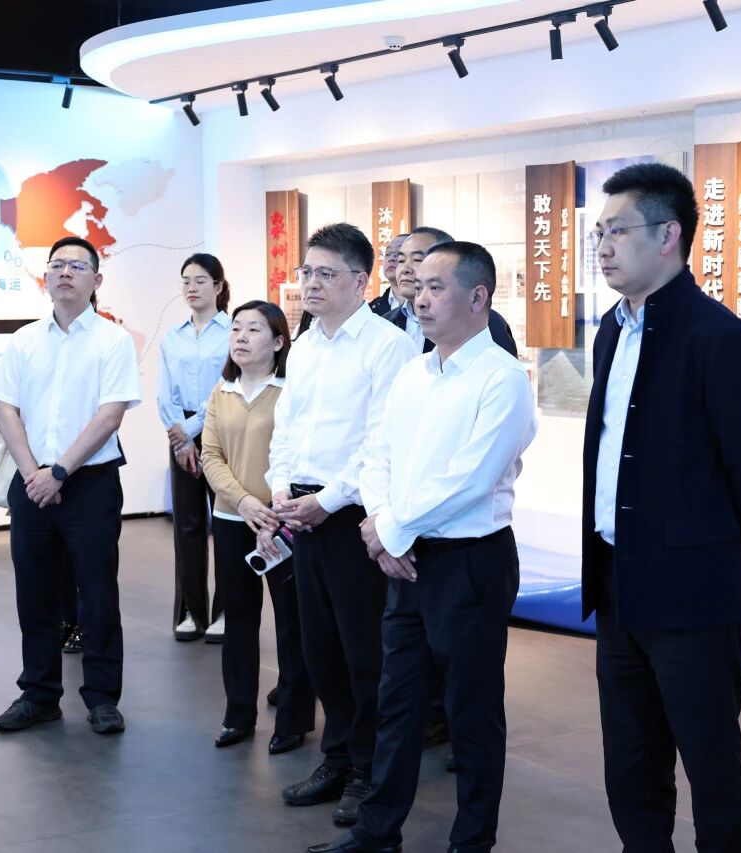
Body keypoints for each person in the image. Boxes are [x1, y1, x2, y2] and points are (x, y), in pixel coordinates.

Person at [308, 241, 536, 853]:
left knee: (472, 711)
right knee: (397, 703)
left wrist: (388, 530)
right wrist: (384, 523)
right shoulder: (414, 372)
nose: (419, 297)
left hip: (469, 561)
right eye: (418, 286)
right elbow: (377, 453)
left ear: (478, 297)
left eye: (436, 287)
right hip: (406, 559)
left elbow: (470, 480)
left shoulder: (503, 379)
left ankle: (472, 840)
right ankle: (377, 832)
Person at [581, 163, 741, 852]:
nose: (603, 246)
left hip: (696, 589)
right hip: (618, 581)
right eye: (598, 233)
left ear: (668, 235)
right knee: (630, 762)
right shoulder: (612, 331)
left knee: (710, 763)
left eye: (617, 231)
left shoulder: (719, 338)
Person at [260, 223, 417, 826]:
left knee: (364, 652)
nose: (312, 284)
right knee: (319, 647)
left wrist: (328, 500)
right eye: (307, 272)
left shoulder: (386, 346)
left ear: (361, 281)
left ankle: (369, 771)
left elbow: (380, 441)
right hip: (301, 511)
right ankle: (338, 755)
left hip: (354, 513)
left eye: (326, 274)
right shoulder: (304, 346)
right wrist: (280, 486)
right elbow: (288, 428)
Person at [0, 235, 141, 735]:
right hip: (31, 482)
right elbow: (5, 409)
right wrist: (34, 472)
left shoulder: (113, 340)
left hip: (89, 484)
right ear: (46, 278)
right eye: (57, 265)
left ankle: (101, 697)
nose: (65, 273)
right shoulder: (24, 340)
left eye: (77, 266)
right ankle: (38, 695)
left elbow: (110, 414)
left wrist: (59, 472)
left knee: (97, 594)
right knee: (34, 593)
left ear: (97, 280)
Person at [200, 300, 316, 755]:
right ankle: (237, 716)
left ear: (279, 341)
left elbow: (297, 454)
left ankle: (293, 720)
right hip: (233, 519)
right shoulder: (221, 391)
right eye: (236, 329)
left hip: (282, 523)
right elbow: (211, 456)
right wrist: (244, 501)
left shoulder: (291, 390)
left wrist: (270, 511)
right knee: (239, 621)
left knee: (292, 624)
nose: (241, 337)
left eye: (253, 329)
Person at [158, 254, 232, 643]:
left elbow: (226, 387)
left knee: (227, 523)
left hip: (224, 429)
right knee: (187, 524)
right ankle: (190, 609)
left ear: (218, 286)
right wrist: (180, 436)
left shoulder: (234, 330)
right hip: (180, 435)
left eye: (200, 280)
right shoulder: (173, 336)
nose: (191, 287)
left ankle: (225, 610)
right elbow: (164, 393)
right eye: (186, 280)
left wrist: (190, 430)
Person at [388, 227, 518, 356]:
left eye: (417, 259)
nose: (405, 269)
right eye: (401, 260)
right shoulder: (388, 321)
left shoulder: (488, 323)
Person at [368, 234, 409, 316]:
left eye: (399, 253)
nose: (391, 258)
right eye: (388, 254)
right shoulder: (371, 310)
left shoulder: (428, 305)